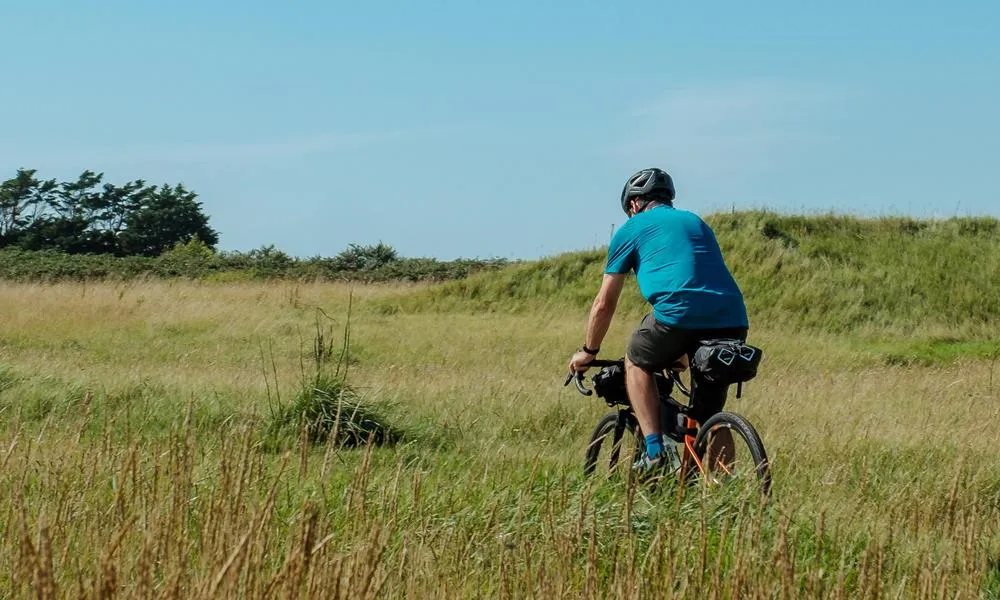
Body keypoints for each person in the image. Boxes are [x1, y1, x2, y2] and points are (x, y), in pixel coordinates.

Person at [567, 167, 750, 474]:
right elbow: (695, 278)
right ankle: (724, 489)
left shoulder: (632, 228)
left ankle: (654, 452)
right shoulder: (696, 222)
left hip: (677, 314)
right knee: (709, 414)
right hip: (732, 317)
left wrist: (589, 351)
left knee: (636, 360)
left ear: (635, 203)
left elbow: (604, 303)